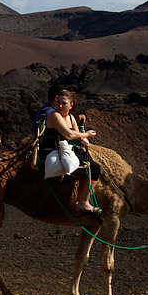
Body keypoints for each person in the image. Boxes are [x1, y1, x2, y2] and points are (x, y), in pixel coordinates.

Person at [39, 87, 102, 216]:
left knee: (91, 162)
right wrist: (85, 135)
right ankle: (83, 202)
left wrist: (83, 139)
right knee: (94, 168)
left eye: (64, 103)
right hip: (54, 150)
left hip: (67, 149)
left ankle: (82, 201)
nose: (60, 105)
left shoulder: (71, 118)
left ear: (71, 105)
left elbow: (77, 135)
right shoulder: (54, 116)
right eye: (59, 102)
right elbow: (68, 134)